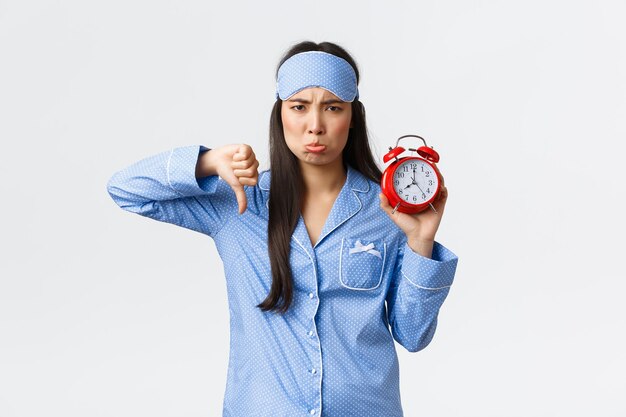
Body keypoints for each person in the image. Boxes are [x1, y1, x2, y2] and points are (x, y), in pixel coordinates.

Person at [107, 41, 458, 417]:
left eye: (333, 108)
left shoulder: (386, 210)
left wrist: (421, 241)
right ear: (280, 115)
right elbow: (126, 191)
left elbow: (414, 334)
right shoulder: (240, 201)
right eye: (299, 107)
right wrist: (207, 161)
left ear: (352, 117)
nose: (315, 126)